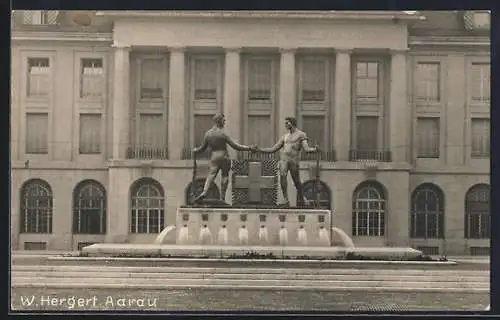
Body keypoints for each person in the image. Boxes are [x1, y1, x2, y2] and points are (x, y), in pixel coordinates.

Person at [192, 113, 257, 203]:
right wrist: (249, 148)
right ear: (219, 121)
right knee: (225, 175)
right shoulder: (223, 134)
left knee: (211, 174)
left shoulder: (208, 134)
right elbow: (236, 146)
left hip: (214, 156)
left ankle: (204, 191)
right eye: (223, 120)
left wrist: (195, 150)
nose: (224, 122)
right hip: (224, 156)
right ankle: (222, 198)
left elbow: (202, 148)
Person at [258, 117, 318, 207]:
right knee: (282, 177)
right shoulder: (285, 137)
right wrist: (259, 150)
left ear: (292, 123)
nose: (285, 125)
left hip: (294, 161)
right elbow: (273, 149)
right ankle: (285, 199)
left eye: (287, 123)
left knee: (296, 181)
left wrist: (314, 149)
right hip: (284, 160)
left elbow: (306, 149)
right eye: (285, 123)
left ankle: (303, 198)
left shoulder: (301, 135)